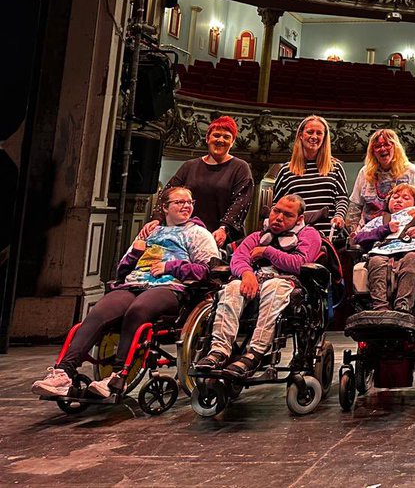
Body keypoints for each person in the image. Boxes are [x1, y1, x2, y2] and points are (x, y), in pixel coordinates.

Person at [32, 186, 219, 399]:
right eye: (180, 202)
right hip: (133, 284)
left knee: (138, 310)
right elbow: (122, 270)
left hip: (170, 288)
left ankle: (118, 374)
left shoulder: (198, 234)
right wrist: (136, 252)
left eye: (189, 202)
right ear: (165, 208)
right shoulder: (151, 232)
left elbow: (207, 271)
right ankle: (63, 372)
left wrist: (170, 267)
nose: (186, 206)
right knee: (100, 312)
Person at [194, 193, 322, 376]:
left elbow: (299, 263)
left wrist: (267, 251)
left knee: (274, 286)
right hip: (254, 281)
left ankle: (255, 353)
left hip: (286, 283)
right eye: (276, 211)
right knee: (231, 288)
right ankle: (219, 351)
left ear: (299, 219)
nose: (278, 218)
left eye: (287, 215)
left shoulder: (309, 234)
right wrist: (246, 274)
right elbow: (238, 258)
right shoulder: (257, 236)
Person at [353, 183, 415, 333]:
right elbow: (359, 238)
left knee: (411, 259)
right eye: (394, 197)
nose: (398, 200)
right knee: (376, 260)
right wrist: (385, 229)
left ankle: (403, 308)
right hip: (384, 251)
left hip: (413, 250)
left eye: (405, 198)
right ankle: (380, 308)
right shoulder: (381, 220)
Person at [160, 115, 254, 248]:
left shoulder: (240, 167)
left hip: (221, 239)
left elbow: (241, 203)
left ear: (232, 142)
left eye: (226, 137)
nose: (220, 140)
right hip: (186, 235)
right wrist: (156, 219)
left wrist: (224, 228)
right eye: (216, 135)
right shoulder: (189, 166)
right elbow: (167, 194)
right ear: (207, 138)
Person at [272, 115, 348, 226]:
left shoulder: (335, 167)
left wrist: (339, 216)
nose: (314, 137)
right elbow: (277, 205)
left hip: (328, 234)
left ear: (324, 137)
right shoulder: (285, 171)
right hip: (295, 236)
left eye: (319, 133)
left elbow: (341, 198)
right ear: (301, 135)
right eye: (310, 132)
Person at [346, 128, 415, 233]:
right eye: (377, 146)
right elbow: (355, 207)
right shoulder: (365, 172)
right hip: (368, 232)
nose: (382, 149)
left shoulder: (411, 171)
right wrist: (353, 233)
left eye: (387, 144)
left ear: (395, 147)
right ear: (372, 151)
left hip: (401, 231)